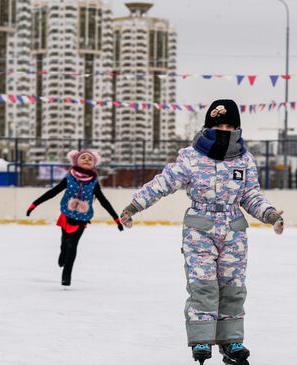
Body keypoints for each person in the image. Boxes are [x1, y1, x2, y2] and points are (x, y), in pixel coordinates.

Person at [119, 100, 284, 365]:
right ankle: (202, 339)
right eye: (219, 124)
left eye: (230, 125)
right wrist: (134, 205)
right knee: (204, 286)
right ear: (208, 126)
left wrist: (270, 214)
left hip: (234, 230)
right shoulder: (191, 156)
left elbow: (251, 195)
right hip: (200, 227)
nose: (225, 129)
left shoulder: (245, 159)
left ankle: (232, 342)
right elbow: (163, 183)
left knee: (233, 288)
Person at [26, 149, 124, 286]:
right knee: (65, 243)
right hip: (67, 214)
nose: (86, 160)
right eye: (83, 157)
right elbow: (53, 192)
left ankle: (66, 276)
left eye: (90, 159)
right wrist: (34, 204)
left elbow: (103, 201)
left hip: (82, 218)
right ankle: (62, 252)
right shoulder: (69, 177)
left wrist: (116, 219)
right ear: (76, 160)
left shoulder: (94, 182)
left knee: (73, 245)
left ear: (94, 164)